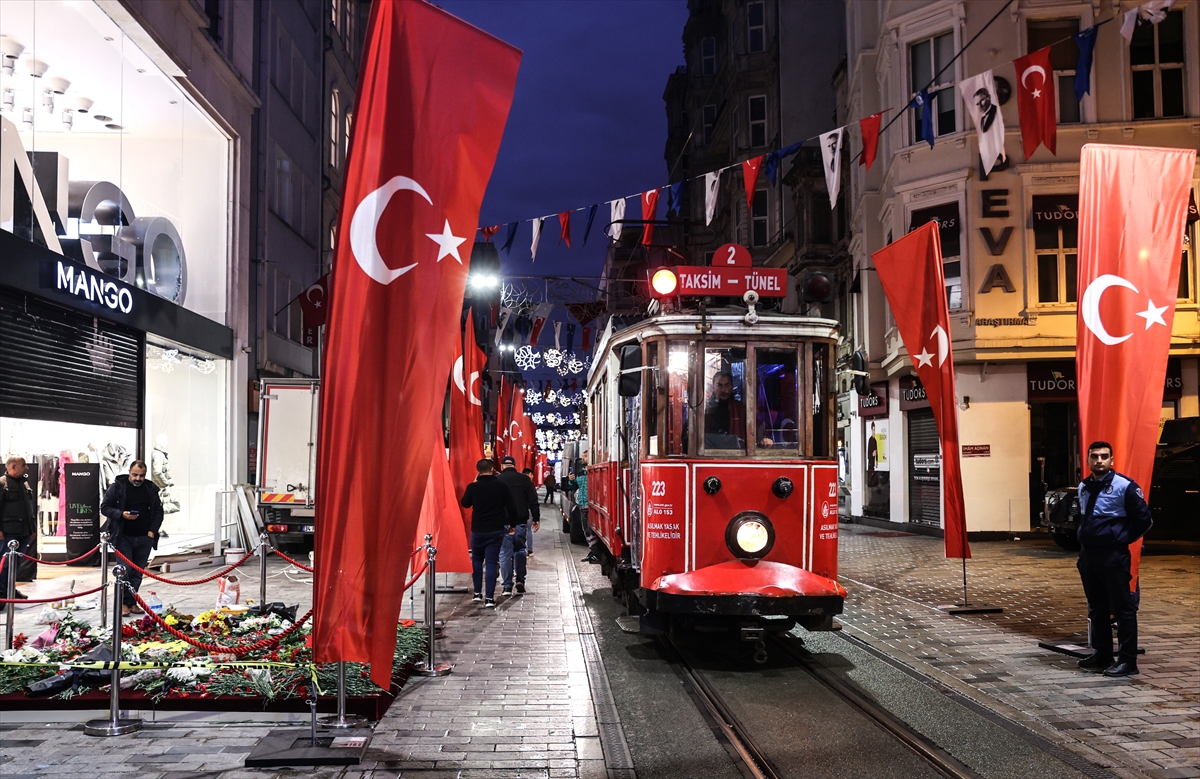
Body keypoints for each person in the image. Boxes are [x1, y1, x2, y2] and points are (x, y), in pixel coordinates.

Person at [1074, 441, 1153, 677]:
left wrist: (1118, 538)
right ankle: (1103, 654)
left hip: (1113, 556)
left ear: (1112, 460)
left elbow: (1144, 520)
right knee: (1097, 608)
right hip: (1089, 555)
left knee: (1122, 608)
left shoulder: (1124, 486)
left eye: (1104, 457)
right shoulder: (1084, 486)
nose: (1099, 461)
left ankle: (1128, 661)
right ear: (1088, 460)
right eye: (1095, 456)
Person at [100, 460, 165, 617]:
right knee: (125, 570)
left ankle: (132, 602)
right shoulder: (118, 487)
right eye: (135, 475)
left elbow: (158, 512)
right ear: (129, 472)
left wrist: (152, 531)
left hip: (144, 537)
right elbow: (105, 508)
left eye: (141, 476)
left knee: (137, 572)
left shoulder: (150, 489)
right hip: (123, 537)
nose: (138, 478)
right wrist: (121, 514)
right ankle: (122, 603)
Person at [461, 458, 519, 608]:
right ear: (492, 469)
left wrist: (474, 483)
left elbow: (465, 503)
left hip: (478, 529)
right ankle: (489, 598)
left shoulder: (473, 487)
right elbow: (512, 507)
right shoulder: (501, 486)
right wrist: (512, 525)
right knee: (492, 562)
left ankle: (477, 594)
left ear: (478, 470)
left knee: (477, 561)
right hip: (496, 529)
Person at [495, 458, 540, 596]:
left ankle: (507, 586)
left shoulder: (497, 480)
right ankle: (520, 579)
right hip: (520, 521)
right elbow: (533, 500)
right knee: (520, 549)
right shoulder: (525, 479)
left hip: (502, 522)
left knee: (504, 554)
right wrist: (536, 518)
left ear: (502, 466)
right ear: (515, 466)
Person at [704, 372, 772, 449]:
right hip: (709, 454)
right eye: (719, 385)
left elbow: (755, 426)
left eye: (727, 385)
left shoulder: (740, 408)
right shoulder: (704, 408)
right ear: (713, 387)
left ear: (732, 386)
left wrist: (763, 438)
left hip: (737, 454)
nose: (724, 390)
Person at [0, 456, 36, 600]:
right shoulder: (2, 484)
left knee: (16, 563)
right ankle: (1, 593)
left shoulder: (24, 483)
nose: (27, 467)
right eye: (24, 465)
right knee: (5, 564)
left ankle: (10, 589)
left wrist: (31, 529)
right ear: (13, 467)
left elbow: (28, 509)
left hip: (23, 532)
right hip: (8, 533)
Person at [522, 467, 538, 556]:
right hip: (528, 510)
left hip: (520, 510)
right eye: (532, 475)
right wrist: (536, 517)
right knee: (528, 530)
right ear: (529, 475)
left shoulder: (518, 482)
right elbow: (533, 500)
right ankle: (529, 549)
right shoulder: (530, 484)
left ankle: (521, 548)